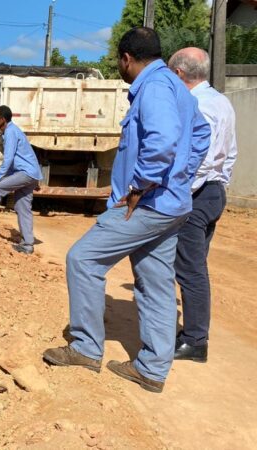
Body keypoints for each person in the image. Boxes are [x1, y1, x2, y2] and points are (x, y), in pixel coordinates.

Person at [42, 27, 210, 393]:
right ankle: (151, 369)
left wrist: (142, 186)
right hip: (171, 204)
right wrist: (179, 175)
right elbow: (200, 135)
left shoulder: (153, 88)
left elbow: (164, 140)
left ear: (126, 59)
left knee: (83, 260)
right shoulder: (176, 87)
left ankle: (86, 348)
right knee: (154, 283)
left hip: (145, 204)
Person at [168, 48, 238, 363]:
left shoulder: (196, 104)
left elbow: (200, 160)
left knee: (190, 269)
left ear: (180, 74)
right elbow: (229, 154)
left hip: (197, 194)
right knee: (195, 266)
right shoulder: (221, 101)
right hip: (214, 193)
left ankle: (195, 341)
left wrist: (181, 192)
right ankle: (192, 335)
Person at [0, 105, 42, 254]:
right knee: (22, 208)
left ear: (3, 119)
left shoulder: (11, 132)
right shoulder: (10, 131)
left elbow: (8, 161)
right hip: (29, 174)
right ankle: (27, 245)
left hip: (25, 173)